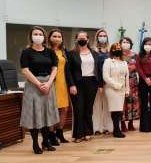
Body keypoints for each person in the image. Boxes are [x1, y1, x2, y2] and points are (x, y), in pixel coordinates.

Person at [20, 26, 59, 154]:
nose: (38, 36)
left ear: (44, 36)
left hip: (48, 85)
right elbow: (25, 70)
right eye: (35, 34)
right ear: (31, 36)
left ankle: (46, 141)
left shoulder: (49, 51)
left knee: (47, 114)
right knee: (35, 115)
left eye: (40, 34)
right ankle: (36, 143)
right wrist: (39, 84)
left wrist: (48, 83)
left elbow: (55, 68)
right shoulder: (26, 52)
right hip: (33, 85)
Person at [68, 31, 100, 143]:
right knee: (78, 109)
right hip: (77, 84)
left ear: (88, 39)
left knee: (88, 109)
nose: (82, 40)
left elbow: (98, 70)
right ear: (76, 40)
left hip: (92, 82)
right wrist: (71, 85)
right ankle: (78, 134)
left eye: (84, 38)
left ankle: (87, 132)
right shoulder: (71, 53)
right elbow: (68, 71)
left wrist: (99, 84)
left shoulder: (94, 53)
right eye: (79, 38)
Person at [47, 28, 70, 144]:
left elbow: (67, 69)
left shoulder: (64, 51)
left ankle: (59, 132)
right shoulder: (46, 51)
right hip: (52, 82)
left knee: (64, 108)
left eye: (59, 37)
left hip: (63, 82)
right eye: (54, 36)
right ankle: (51, 134)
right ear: (49, 38)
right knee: (53, 109)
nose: (57, 38)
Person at [102, 43, 129, 138]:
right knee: (115, 110)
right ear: (111, 50)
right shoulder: (108, 61)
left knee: (119, 110)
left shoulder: (124, 62)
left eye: (119, 48)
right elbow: (105, 77)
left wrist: (127, 90)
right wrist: (115, 85)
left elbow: (127, 77)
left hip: (122, 90)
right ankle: (116, 130)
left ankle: (117, 129)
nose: (117, 50)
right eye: (115, 48)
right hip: (111, 89)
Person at [136, 37, 151, 132]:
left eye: (150, 44)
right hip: (143, 80)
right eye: (146, 44)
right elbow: (138, 68)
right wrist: (145, 78)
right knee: (144, 103)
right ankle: (144, 126)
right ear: (143, 45)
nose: (148, 46)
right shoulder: (139, 56)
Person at [92, 29, 112, 135]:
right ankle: (97, 128)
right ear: (97, 37)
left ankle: (106, 127)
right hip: (97, 83)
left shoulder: (110, 51)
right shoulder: (94, 51)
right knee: (97, 105)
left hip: (109, 82)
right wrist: (100, 84)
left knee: (108, 106)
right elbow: (95, 68)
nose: (103, 37)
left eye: (104, 35)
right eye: (100, 35)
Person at [121, 37, 140, 132]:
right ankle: (123, 123)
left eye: (127, 42)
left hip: (133, 82)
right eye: (123, 42)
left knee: (133, 102)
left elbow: (139, 66)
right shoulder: (118, 55)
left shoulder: (135, 55)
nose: (125, 43)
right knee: (123, 103)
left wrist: (134, 67)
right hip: (121, 82)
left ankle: (131, 123)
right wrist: (126, 68)